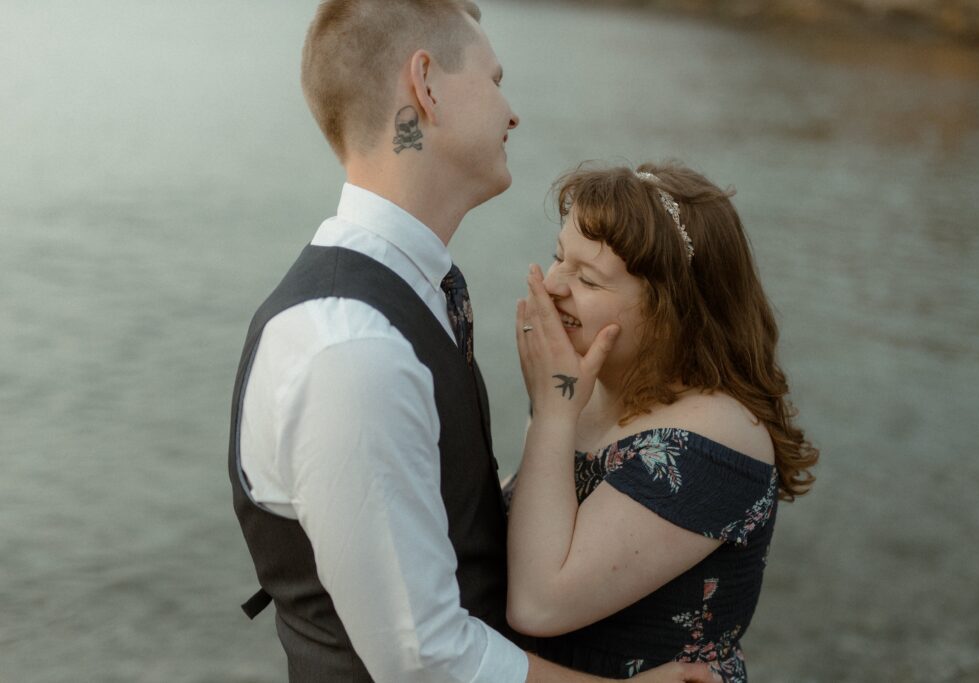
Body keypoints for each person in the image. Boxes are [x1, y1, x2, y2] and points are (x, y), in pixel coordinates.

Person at [227, 1, 717, 681]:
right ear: (425, 86)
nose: (512, 111)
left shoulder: (414, 297)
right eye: (493, 79)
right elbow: (420, 655)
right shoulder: (351, 348)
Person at [507, 162, 819, 681]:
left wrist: (550, 413)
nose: (554, 285)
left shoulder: (716, 436)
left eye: (587, 278)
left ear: (670, 308)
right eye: (560, 257)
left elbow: (539, 604)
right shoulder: (579, 391)